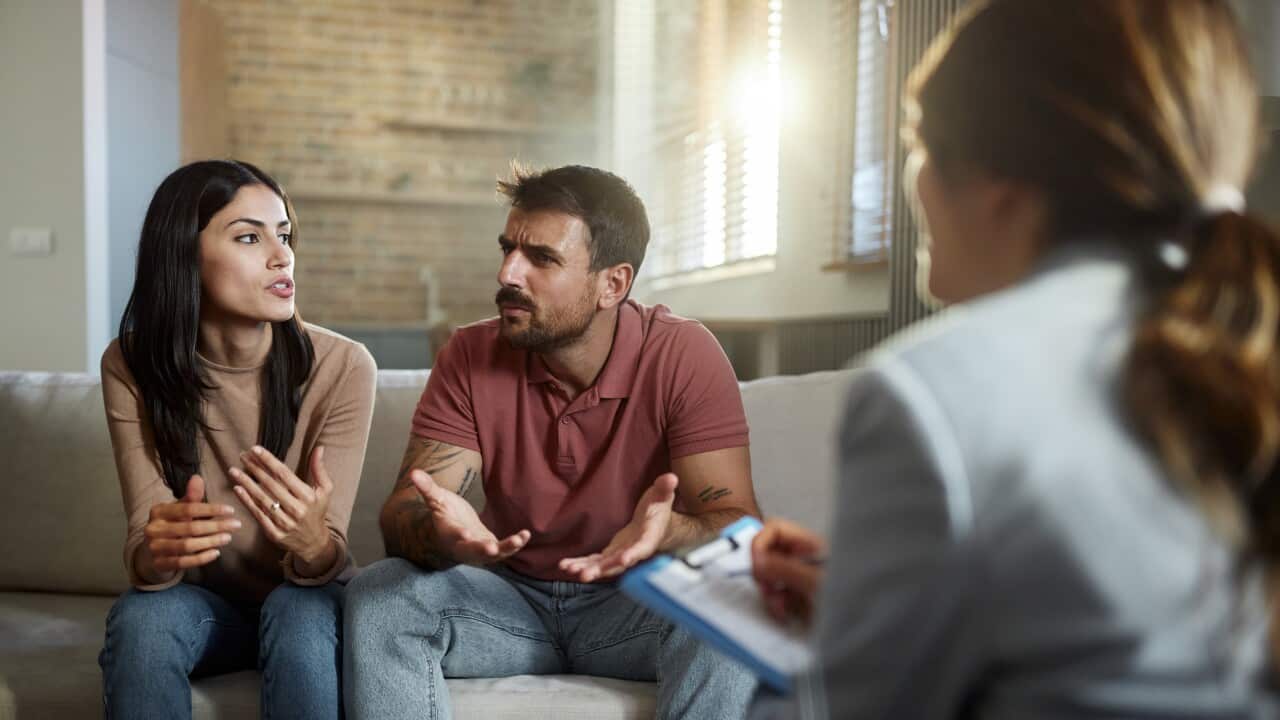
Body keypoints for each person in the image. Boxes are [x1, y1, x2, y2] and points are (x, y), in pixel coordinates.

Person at [750, 0, 1280, 717]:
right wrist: (878, 593)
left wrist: (851, 638)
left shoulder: (929, 392)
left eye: (916, 141)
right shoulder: (1240, 334)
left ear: (999, 180)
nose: (913, 178)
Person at [343, 164, 760, 720]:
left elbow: (741, 531)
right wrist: (445, 537)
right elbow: (407, 514)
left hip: (633, 607)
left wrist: (675, 530)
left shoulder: (683, 353)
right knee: (381, 594)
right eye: (508, 249)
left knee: (737, 605)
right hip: (508, 605)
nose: (508, 273)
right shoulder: (471, 354)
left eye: (541, 258)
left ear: (613, 283)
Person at [98, 160, 376, 720]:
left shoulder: (343, 366)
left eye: (284, 235)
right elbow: (146, 558)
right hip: (207, 611)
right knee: (143, 619)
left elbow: (329, 556)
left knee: (297, 613)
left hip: (307, 603)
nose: (282, 256)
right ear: (184, 255)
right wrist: (161, 548)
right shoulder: (131, 364)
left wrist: (313, 539)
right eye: (250, 237)